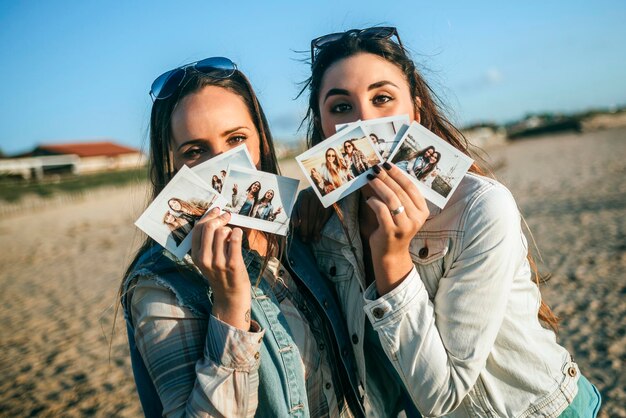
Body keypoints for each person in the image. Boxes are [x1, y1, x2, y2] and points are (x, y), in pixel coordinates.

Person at [295, 27, 600, 417]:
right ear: (323, 128)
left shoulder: (480, 207)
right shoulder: (326, 224)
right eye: (341, 108)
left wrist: (391, 261)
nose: (364, 123)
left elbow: (442, 396)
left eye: (383, 98)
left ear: (415, 113)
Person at [120, 57, 363, 417]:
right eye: (195, 151)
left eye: (236, 139)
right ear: (171, 165)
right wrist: (230, 307)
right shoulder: (161, 284)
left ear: (262, 141)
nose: (224, 163)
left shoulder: (295, 231)